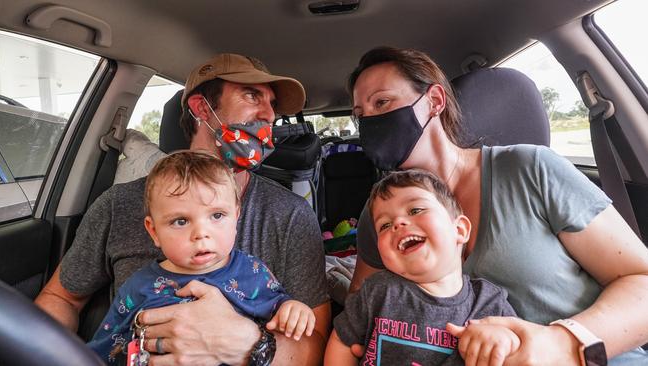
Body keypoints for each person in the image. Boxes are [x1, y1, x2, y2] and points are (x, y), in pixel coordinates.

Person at [347, 46, 648, 365]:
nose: (371, 122)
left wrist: (564, 343)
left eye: (382, 102)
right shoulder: (379, 215)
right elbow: (363, 308)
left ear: (434, 101)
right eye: (361, 115)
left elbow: (641, 279)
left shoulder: (530, 169)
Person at [35, 53, 331, 365]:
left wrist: (248, 345)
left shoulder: (290, 215)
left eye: (272, 104)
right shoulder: (118, 205)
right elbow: (61, 298)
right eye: (251, 95)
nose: (270, 115)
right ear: (202, 107)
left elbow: (315, 348)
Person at [89, 151, 316, 364]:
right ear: (154, 231)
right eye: (180, 221)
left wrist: (292, 309)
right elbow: (104, 349)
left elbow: (277, 304)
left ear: (236, 216)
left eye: (217, 215)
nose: (200, 234)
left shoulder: (252, 271)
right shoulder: (138, 287)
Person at [325, 169, 518, 365]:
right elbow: (342, 341)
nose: (398, 223)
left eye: (415, 210)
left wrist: (507, 342)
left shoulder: (490, 304)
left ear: (459, 230)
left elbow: (521, 347)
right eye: (384, 225)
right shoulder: (377, 291)